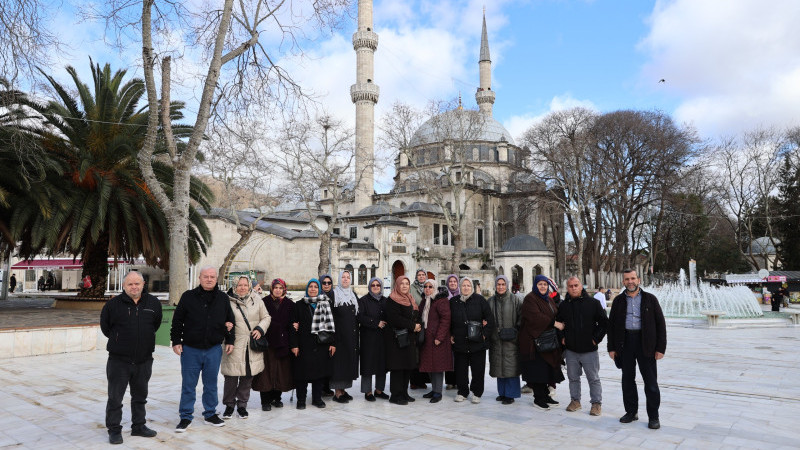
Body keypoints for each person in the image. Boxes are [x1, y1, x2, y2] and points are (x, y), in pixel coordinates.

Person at [170, 266, 235, 432]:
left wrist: (230, 339)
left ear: (216, 279)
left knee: (211, 384)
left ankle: (210, 414)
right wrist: (176, 341)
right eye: (206, 276)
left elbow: (230, 321)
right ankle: (185, 416)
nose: (209, 279)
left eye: (212, 277)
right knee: (188, 385)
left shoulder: (222, 298)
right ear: (199, 278)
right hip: (191, 350)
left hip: (213, 349)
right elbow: (177, 320)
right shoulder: (188, 297)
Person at [100, 271, 162, 444]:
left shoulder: (153, 303)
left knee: (140, 396)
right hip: (119, 361)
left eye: (137, 284)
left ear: (143, 284)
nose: (134, 287)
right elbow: (106, 328)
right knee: (115, 398)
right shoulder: (113, 305)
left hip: (144, 360)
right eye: (130, 284)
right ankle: (114, 430)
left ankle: (139, 426)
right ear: (124, 286)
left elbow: (155, 324)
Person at [607, 269, 667, 430]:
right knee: (627, 380)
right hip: (625, 343)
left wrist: (661, 348)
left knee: (651, 382)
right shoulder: (619, 301)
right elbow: (611, 326)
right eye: (627, 279)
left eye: (633, 278)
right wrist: (611, 348)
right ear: (623, 282)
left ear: (639, 280)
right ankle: (631, 412)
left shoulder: (650, 299)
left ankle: (653, 416)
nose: (630, 281)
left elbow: (660, 324)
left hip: (645, 343)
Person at [556, 276, 608, 416]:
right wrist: (562, 338)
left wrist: (595, 339)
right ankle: (575, 401)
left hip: (589, 350)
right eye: (571, 286)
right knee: (573, 377)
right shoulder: (564, 305)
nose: (573, 288)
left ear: (581, 286)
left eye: (576, 285)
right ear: (567, 288)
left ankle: (596, 403)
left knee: (593, 378)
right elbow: (558, 324)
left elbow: (604, 323)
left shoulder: (593, 303)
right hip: (571, 350)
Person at [221, 276, 270, 420]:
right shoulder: (227, 301)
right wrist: (225, 325)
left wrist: (260, 329)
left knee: (247, 377)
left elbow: (266, 317)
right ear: (234, 286)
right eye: (239, 285)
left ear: (249, 286)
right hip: (233, 344)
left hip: (251, 344)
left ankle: (242, 405)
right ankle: (229, 405)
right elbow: (220, 318)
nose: (242, 288)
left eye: (245, 285)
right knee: (231, 377)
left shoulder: (257, 299)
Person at [520, 275, 565, 410]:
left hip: (547, 341)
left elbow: (555, 312)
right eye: (540, 284)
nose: (543, 287)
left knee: (546, 370)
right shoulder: (530, 299)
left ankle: (545, 396)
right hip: (534, 342)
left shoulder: (548, 299)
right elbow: (535, 317)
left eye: (545, 284)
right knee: (538, 370)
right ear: (535, 285)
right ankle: (538, 398)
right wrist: (554, 323)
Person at [290, 279, 336, 409]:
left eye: (316, 287)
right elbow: (293, 326)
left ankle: (317, 399)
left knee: (319, 374)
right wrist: (294, 345)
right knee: (302, 375)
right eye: (310, 286)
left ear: (319, 289)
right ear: (307, 289)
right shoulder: (299, 305)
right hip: (303, 345)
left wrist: (333, 343)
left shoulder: (326, 304)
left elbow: (332, 325)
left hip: (321, 344)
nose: (313, 289)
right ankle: (301, 400)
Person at [450, 277, 494, 404]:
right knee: (461, 369)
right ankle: (462, 391)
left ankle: (477, 392)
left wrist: (484, 335)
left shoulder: (480, 300)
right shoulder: (454, 301)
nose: (466, 288)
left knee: (478, 369)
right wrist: (451, 334)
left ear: (472, 287)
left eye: (468, 285)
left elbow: (490, 319)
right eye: (463, 285)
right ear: (460, 287)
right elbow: (449, 321)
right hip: (460, 341)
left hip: (477, 342)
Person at [253, 278, 295, 411]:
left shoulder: (289, 304)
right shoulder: (264, 302)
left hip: (283, 343)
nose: (277, 290)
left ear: (284, 289)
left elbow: (292, 322)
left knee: (281, 371)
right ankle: (265, 400)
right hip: (268, 343)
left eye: (280, 288)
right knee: (266, 372)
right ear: (271, 289)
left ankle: (277, 397)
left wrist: (295, 325)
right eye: (275, 287)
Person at [384, 275, 422, 405]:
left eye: (407, 283)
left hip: (409, 339)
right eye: (402, 283)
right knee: (398, 368)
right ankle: (395, 395)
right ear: (397, 285)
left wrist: (418, 324)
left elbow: (415, 315)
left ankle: (404, 393)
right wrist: (413, 326)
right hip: (397, 339)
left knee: (408, 366)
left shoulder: (410, 299)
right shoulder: (392, 300)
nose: (405, 286)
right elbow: (395, 319)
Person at [488, 275, 522, 405]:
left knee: (510, 367)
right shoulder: (491, 301)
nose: (500, 287)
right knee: (499, 366)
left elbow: (521, 317)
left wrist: (516, 332)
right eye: (498, 284)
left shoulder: (516, 300)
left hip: (511, 340)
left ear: (507, 285)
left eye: (503, 284)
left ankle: (511, 394)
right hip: (496, 339)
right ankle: (502, 392)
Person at [418, 280, 452, 403]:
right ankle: (434, 389)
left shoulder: (441, 301)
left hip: (437, 339)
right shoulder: (425, 301)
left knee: (438, 367)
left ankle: (438, 392)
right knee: (430, 365)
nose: (427, 289)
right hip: (427, 338)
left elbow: (446, 320)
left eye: (430, 287)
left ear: (435, 288)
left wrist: (440, 337)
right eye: (425, 286)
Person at [357, 277, 389, 401]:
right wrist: (376, 323)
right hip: (368, 338)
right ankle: (368, 392)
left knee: (382, 364)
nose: (375, 287)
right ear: (370, 287)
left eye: (378, 285)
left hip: (382, 338)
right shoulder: (364, 300)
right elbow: (360, 317)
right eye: (373, 285)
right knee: (368, 365)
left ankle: (379, 390)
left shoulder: (385, 301)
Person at [330, 270, 360, 403]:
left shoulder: (353, 295)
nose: (346, 279)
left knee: (348, 363)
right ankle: (337, 393)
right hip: (338, 336)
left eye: (348, 277)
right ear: (339, 279)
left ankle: (343, 390)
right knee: (339, 365)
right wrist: (333, 338)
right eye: (343, 277)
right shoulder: (333, 295)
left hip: (351, 336)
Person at [409, 268, 430, 390]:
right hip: (415, 323)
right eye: (419, 275)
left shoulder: (429, 287)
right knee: (415, 353)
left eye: (423, 274)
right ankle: (414, 381)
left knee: (424, 353)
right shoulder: (412, 288)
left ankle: (422, 381)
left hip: (427, 323)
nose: (421, 277)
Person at [319, 274, 336, 397]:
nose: (326, 285)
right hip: (319, 334)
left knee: (329, 362)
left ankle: (326, 387)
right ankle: (319, 388)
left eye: (329, 283)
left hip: (332, 333)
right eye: (324, 283)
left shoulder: (335, 297)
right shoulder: (316, 296)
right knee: (321, 362)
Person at [444, 274, 460, 390]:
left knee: (460, 358)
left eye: (455, 281)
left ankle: (460, 381)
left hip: (459, 331)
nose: (453, 283)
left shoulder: (462, 295)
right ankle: (450, 381)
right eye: (451, 282)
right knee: (448, 357)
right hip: (447, 331)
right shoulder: (444, 297)